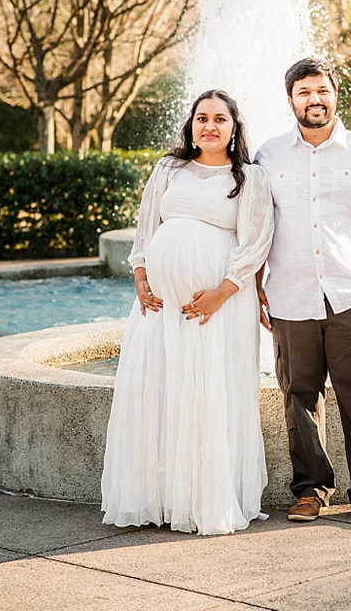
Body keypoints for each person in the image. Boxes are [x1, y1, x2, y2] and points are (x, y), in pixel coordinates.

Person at [101, 89, 274, 535]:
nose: (209, 126)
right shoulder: (168, 169)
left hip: (219, 307)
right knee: (159, 387)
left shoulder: (251, 179)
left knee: (207, 388)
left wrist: (222, 292)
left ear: (234, 128)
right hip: (158, 306)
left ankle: (202, 499)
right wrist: (141, 277)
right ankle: (158, 498)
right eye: (202, 118)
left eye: (220, 119)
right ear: (191, 125)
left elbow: (255, 244)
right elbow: (145, 228)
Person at [255, 56, 351, 526]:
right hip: (290, 297)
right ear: (290, 100)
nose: (313, 99)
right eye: (304, 93)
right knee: (298, 394)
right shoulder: (268, 156)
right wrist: (259, 289)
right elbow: (258, 228)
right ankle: (311, 491)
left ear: (334, 94)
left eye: (321, 90)